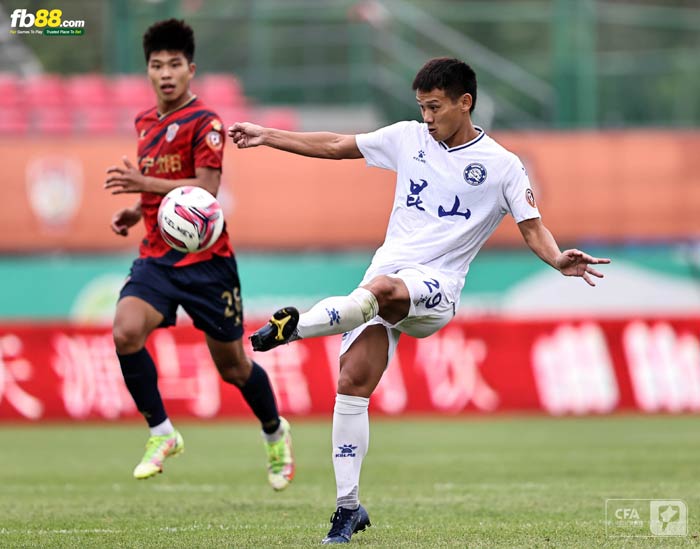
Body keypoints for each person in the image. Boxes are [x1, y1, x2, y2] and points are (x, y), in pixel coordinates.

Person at [228, 57, 610, 543]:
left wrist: (558, 260)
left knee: (379, 292)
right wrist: (266, 135)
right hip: (383, 275)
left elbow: (532, 227)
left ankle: (295, 328)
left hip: (436, 289)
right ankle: (348, 509)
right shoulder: (408, 138)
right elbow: (335, 145)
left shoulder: (502, 166)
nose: (427, 118)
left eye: (435, 107)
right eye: (421, 108)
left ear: (463, 102)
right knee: (351, 382)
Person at [104, 19, 294, 491]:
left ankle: (275, 431)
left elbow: (204, 190)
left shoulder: (205, 123)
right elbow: (167, 193)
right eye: (156, 65)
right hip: (157, 258)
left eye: (174, 65)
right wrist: (136, 209)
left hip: (208, 264)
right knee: (126, 331)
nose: (165, 73)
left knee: (232, 367)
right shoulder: (144, 122)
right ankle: (161, 433)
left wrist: (145, 186)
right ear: (147, 71)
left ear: (191, 70)